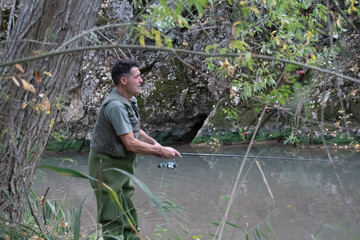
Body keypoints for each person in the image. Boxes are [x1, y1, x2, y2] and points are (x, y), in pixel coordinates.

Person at [88, 59, 182, 239]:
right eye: (137, 77)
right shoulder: (115, 106)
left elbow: (135, 130)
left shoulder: (128, 100)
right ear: (124, 81)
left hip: (120, 167)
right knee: (113, 221)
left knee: (128, 217)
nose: (141, 80)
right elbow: (130, 143)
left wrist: (156, 145)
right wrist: (160, 152)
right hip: (106, 168)